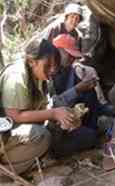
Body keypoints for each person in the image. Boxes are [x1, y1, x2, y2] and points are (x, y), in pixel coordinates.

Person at [0, 39, 76, 175]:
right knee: (41, 135)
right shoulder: (16, 77)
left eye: (55, 66)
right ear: (31, 61)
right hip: (4, 136)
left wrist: (65, 117)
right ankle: (6, 174)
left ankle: (36, 160)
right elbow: (14, 115)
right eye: (48, 65)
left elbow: (44, 109)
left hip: (13, 135)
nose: (53, 70)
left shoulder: (40, 78)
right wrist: (53, 114)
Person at [45, 2, 108, 105]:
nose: (74, 20)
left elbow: (76, 54)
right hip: (53, 65)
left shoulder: (76, 34)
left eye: (77, 18)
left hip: (69, 65)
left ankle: (100, 102)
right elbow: (45, 49)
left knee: (89, 71)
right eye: (72, 17)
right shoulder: (55, 28)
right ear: (66, 17)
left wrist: (78, 63)